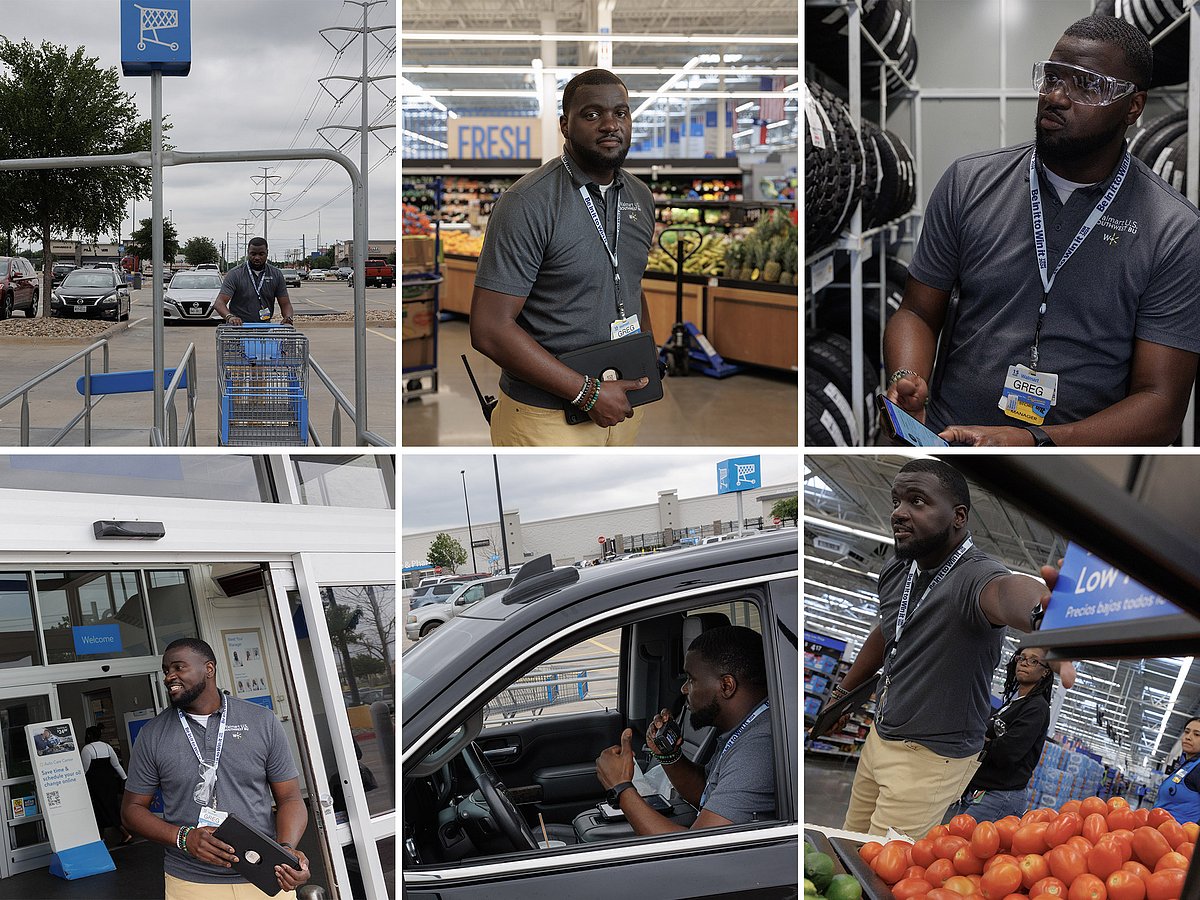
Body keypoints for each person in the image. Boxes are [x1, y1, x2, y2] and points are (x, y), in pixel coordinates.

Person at [883, 15, 1200, 446]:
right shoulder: (968, 183)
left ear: (1133, 106)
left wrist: (1037, 440)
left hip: (1065, 469)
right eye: (1052, 77)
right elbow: (918, 312)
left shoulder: (1173, 229)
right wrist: (907, 377)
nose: (1056, 97)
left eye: (1086, 85)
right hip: (946, 439)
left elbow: (1161, 404)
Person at [820, 458, 1053, 839]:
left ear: (958, 516)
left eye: (917, 501)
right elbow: (888, 630)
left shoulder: (976, 575)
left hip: (930, 758)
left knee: (878, 866)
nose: (899, 512)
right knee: (847, 842)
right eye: (896, 501)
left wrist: (1047, 615)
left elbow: (1009, 593)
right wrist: (844, 693)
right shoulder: (898, 568)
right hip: (880, 736)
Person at [470, 68, 658, 447]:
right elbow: (489, 328)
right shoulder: (528, 203)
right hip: (546, 419)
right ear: (564, 126)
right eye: (592, 114)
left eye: (621, 113)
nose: (610, 124)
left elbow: (631, 286)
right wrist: (586, 393)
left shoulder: (639, 197)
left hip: (622, 409)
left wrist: (648, 358)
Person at [121, 638, 310, 899]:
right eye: (166, 670)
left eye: (178, 668)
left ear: (208, 669)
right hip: (190, 881)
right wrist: (183, 837)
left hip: (264, 875)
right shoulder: (152, 735)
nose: (169, 677)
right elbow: (131, 811)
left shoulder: (261, 721)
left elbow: (290, 797)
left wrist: (287, 849)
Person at [594, 625, 774, 835]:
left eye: (691, 679)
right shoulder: (744, 729)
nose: (684, 688)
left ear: (726, 685)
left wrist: (621, 788)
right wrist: (670, 756)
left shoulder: (757, 750)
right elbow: (708, 793)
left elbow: (698, 850)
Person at [942, 647, 1073, 823]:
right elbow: (987, 737)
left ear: (1045, 672)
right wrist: (987, 741)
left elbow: (1008, 752)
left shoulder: (1037, 707)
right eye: (1022, 658)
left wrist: (979, 742)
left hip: (999, 796)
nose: (1025, 663)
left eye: (1034, 661)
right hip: (979, 790)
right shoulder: (1012, 704)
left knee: (957, 843)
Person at [214, 237, 296, 326]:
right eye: (253, 254)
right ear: (247, 252)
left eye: (261, 254)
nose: (257, 257)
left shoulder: (276, 274)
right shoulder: (235, 274)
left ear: (267, 253)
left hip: (264, 329)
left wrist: (288, 318)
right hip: (238, 329)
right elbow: (219, 303)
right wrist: (230, 317)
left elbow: (285, 304)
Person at [81, 725, 135, 845]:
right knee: (111, 807)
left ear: (88, 736)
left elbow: (85, 770)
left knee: (99, 809)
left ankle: (122, 834)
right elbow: (116, 765)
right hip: (110, 783)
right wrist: (125, 779)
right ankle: (101, 838)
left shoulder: (87, 749)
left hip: (96, 785)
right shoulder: (107, 746)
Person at [1152, 717, 1200, 824]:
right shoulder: (1187, 765)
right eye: (1187, 732)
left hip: (1178, 836)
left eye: (1197, 734)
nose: (1188, 737)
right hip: (1161, 832)